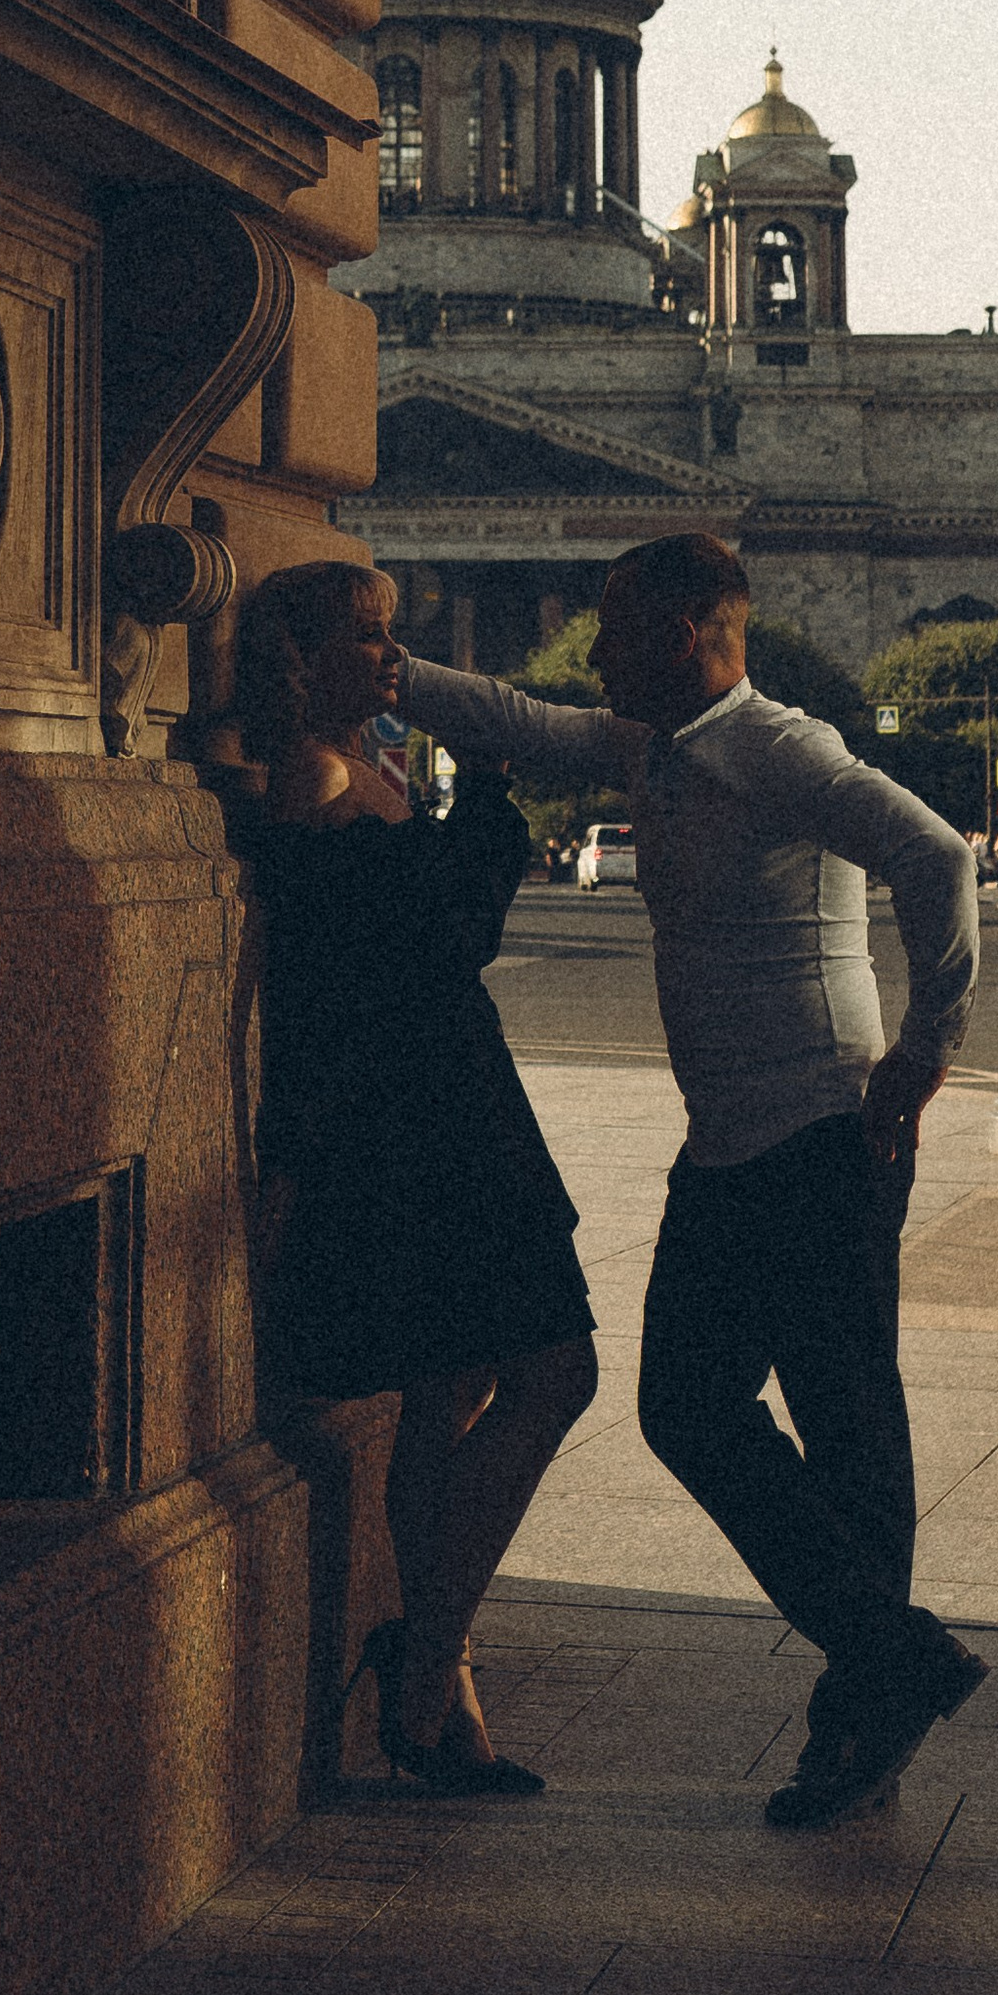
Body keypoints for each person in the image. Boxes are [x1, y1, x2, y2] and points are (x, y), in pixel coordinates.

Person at [391, 533, 987, 1831]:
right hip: (728, 1143)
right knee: (685, 1407)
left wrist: (926, 1050)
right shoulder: (647, 747)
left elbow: (938, 857)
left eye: (613, 629)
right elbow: (517, 720)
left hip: (827, 1136)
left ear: (681, 636)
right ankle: (889, 1663)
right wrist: (386, 669)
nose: (595, 654)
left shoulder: (778, 747)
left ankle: (863, 1713)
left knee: (843, 1430)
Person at [224, 560, 597, 1797]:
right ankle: (427, 1659)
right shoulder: (321, 777)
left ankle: (438, 1694)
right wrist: (490, 800)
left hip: (429, 1104)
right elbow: (433, 938)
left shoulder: (349, 769)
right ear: (299, 658)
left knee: (453, 1392)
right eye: (366, 638)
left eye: (395, 637)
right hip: (425, 1118)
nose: (395, 658)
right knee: (555, 1371)